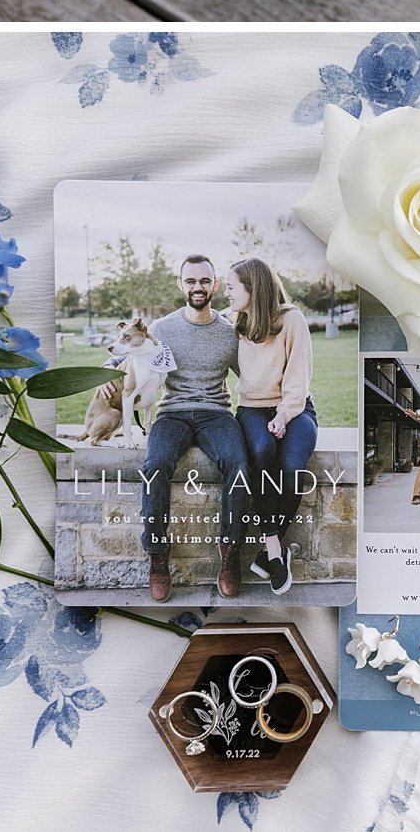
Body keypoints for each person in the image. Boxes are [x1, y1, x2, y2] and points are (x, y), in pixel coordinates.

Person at [141, 254, 247, 603]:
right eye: (191, 281)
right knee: (155, 465)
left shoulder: (230, 331)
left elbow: (254, 373)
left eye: (204, 281)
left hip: (216, 413)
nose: (197, 287)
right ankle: (158, 555)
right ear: (180, 285)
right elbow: (131, 358)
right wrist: (105, 378)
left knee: (238, 463)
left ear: (214, 285)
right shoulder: (163, 328)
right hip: (172, 413)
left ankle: (230, 554)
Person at [228, 257, 317, 594]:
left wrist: (283, 415)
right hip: (251, 409)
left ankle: (269, 552)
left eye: (232, 287)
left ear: (253, 288)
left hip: (296, 408)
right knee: (263, 452)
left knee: (293, 466)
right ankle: (275, 549)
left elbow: (298, 376)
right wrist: (114, 360)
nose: (228, 294)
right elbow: (167, 334)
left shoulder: (292, 320)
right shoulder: (234, 321)